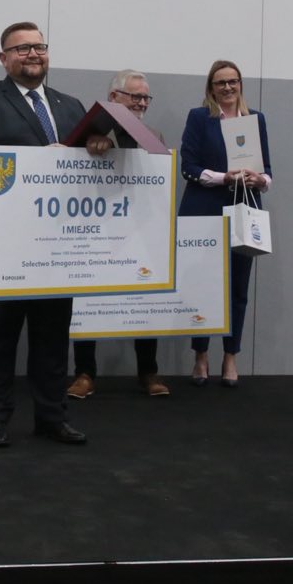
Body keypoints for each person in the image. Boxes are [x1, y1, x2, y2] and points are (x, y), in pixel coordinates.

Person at [0, 22, 108, 447]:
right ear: (3, 58)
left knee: (53, 337)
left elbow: (88, 160)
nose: (33, 54)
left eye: (39, 46)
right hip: (3, 241)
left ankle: (52, 417)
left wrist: (100, 145)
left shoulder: (70, 105)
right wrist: (38, 159)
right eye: (21, 48)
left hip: (58, 241)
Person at [68, 70, 165, 399]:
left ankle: (148, 372)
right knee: (86, 299)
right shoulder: (90, 134)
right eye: (135, 96)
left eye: (146, 97)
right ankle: (84, 373)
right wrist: (94, 145)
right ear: (113, 98)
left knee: (144, 297)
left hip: (138, 232)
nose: (142, 103)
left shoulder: (154, 135)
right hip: (93, 233)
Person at [180, 60, 271, 388]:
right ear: (211, 87)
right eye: (221, 82)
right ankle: (201, 355)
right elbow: (188, 167)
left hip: (244, 210)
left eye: (233, 81)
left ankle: (230, 355)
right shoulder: (199, 117)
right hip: (204, 210)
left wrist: (261, 180)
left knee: (238, 288)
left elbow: (268, 170)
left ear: (240, 84)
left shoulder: (255, 119)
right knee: (202, 287)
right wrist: (224, 177)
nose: (228, 87)